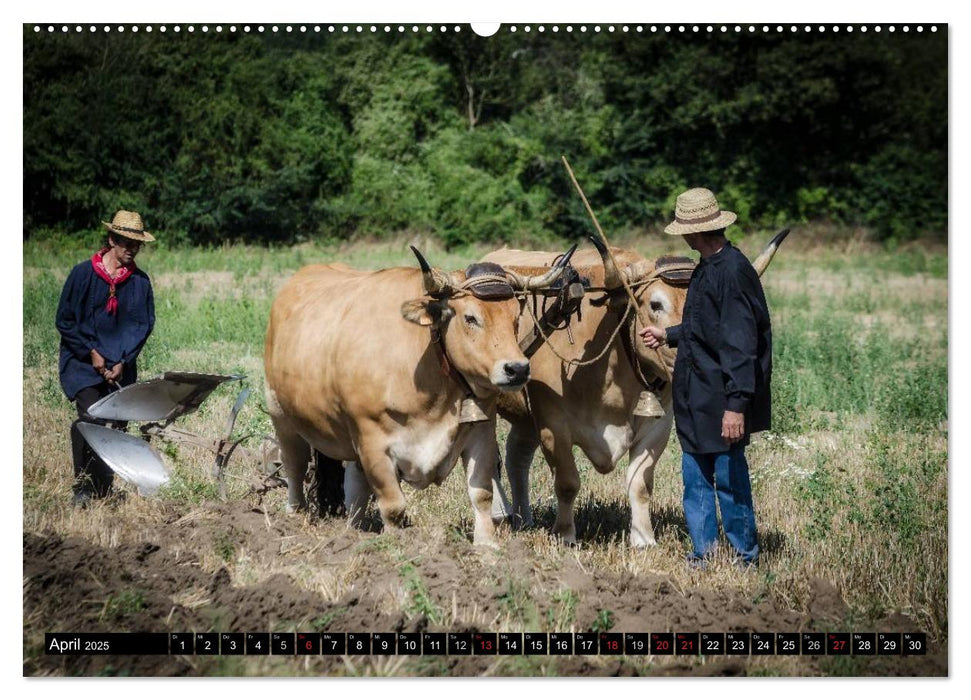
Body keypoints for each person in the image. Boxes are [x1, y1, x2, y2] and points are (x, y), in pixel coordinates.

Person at [640, 188, 772, 567]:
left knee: (730, 482)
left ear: (692, 232)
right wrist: (668, 335)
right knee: (695, 480)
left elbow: (741, 345)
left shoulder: (731, 272)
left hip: (721, 399)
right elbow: (704, 324)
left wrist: (736, 406)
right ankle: (704, 554)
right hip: (695, 398)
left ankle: (745, 556)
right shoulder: (707, 266)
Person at [56, 210, 156, 507]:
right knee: (90, 420)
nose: (131, 249)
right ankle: (83, 487)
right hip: (83, 364)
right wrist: (92, 353)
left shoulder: (139, 282)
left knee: (117, 425)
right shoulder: (82, 274)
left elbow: (142, 325)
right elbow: (65, 320)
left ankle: (104, 487)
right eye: (125, 242)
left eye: (136, 244)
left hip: (120, 367)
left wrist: (123, 360)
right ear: (112, 239)